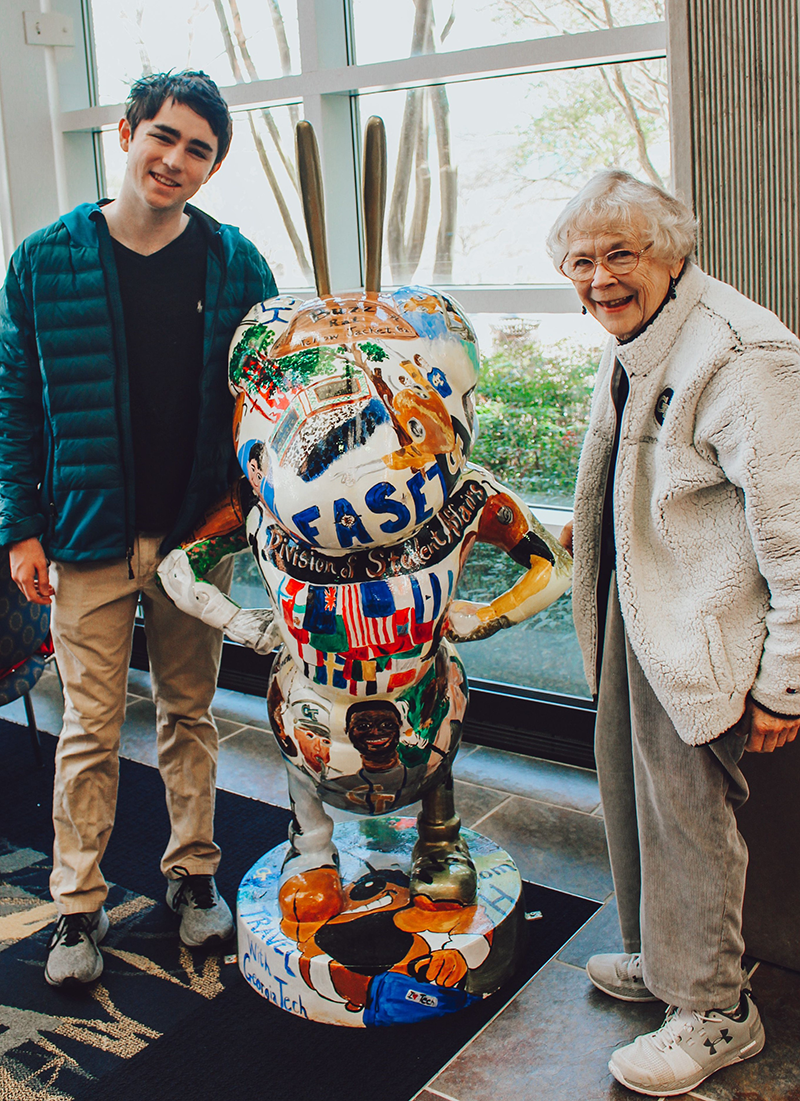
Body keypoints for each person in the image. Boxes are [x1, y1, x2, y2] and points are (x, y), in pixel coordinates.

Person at [0, 70, 277, 987]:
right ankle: (77, 906)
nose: (176, 159)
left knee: (191, 714)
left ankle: (194, 876)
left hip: (198, 540)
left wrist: (249, 514)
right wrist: (20, 527)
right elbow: (15, 403)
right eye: (164, 136)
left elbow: (263, 404)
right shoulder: (46, 259)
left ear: (213, 166)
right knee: (90, 724)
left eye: (199, 149)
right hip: (85, 537)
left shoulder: (239, 265)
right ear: (126, 133)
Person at [549, 169, 800, 1096]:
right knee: (633, 789)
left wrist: (786, 680)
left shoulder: (742, 354)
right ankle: (666, 957)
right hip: (644, 602)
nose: (600, 278)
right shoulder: (642, 333)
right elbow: (664, 464)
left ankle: (715, 1007)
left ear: (675, 254)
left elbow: (796, 532)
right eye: (582, 261)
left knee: (692, 816)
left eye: (623, 255)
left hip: (705, 622)